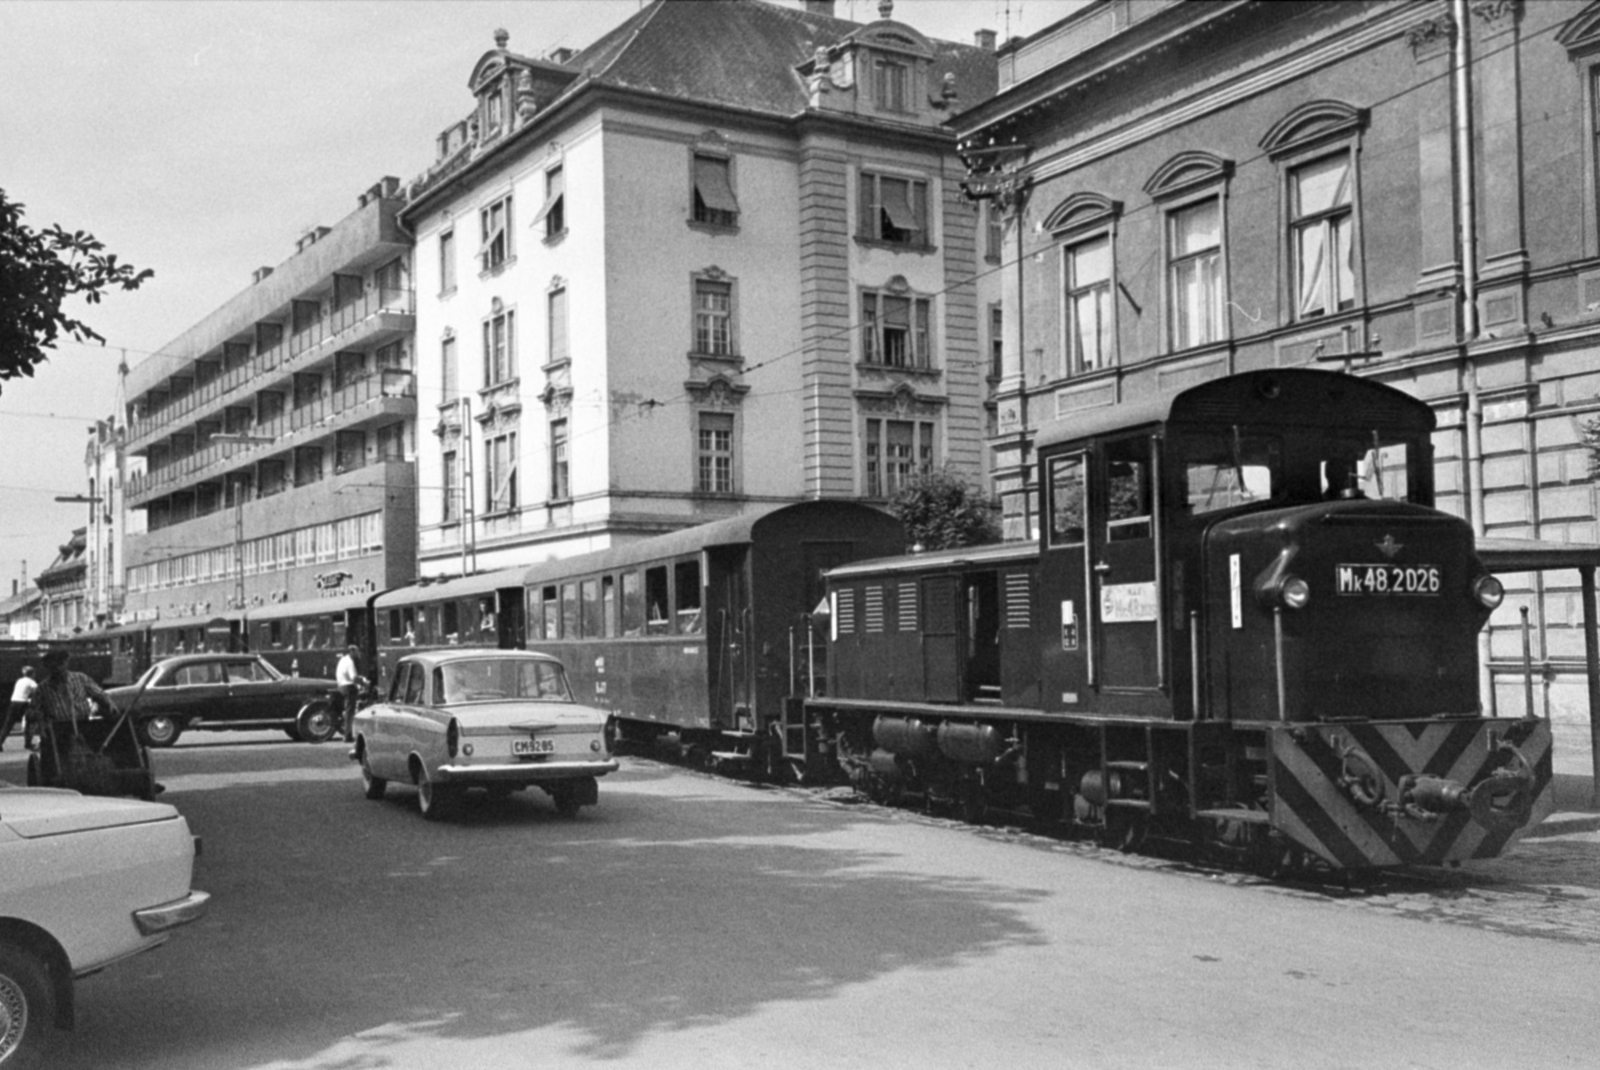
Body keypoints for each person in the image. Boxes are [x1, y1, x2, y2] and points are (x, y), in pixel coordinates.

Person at [30, 649, 113, 733]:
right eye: (53, 667)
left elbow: (100, 694)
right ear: (48, 667)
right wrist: (39, 721)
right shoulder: (42, 688)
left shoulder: (80, 678)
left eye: (60, 664)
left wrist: (110, 705)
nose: (58, 669)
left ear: (66, 662)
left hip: (82, 724)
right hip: (58, 729)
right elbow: (33, 710)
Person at [1, 665, 36, 751]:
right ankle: (28, 743)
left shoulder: (19, 681)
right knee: (30, 723)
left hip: (14, 702)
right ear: (33, 674)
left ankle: (0, 742)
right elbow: (37, 695)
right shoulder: (32, 683)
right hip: (23, 704)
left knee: (8, 724)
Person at [336, 644, 362, 742]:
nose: (358, 653)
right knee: (350, 712)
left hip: (341, 686)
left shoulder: (342, 660)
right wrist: (363, 682)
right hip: (349, 687)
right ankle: (348, 735)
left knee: (348, 711)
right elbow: (354, 678)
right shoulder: (350, 662)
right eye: (357, 651)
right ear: (352, 651)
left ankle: (347, 733)